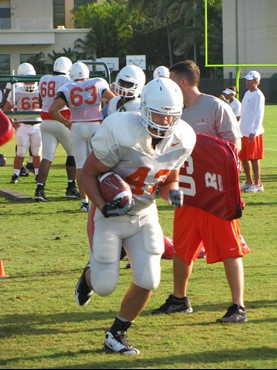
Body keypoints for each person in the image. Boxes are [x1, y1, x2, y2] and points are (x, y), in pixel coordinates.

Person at [74, 78, 196, 354]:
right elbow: (88, 174)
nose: (164, 121)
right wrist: (104, 208)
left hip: (143, 213)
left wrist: (172, 194)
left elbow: (169, 178)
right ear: (143, 110)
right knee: (105, 285)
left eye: (170, 115)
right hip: (111, 214)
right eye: (158, 114)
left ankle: (117, 333)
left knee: (149, 279)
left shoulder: (183, 138)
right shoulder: (122, 130)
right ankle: (90, 278)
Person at [152, 60, 248, 323]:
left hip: (215, 194)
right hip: (187, 193)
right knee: (182, 249)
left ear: (183, 81)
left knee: (230, 248)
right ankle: (179, 299)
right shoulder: (173, 111)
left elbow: (233, 146)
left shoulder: (215, 106)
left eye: (172, 80)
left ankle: (238, 306)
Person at [48, 61, 115, 212]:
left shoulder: (67, 87)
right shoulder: (98, 82)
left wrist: (66, 122)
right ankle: (101, 197)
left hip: (76, 126)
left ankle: (84, 202)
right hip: (95, 126)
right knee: (99, 164)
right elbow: (114, 100)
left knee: (81, 167)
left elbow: (53, 110)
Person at [34, 56, 79, 202]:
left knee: (47, 156)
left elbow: (41, 101)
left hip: (45, 121)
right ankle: (71, 187)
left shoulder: (43, 79)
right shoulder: (67, 80)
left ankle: (39, 189)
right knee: (72, 153)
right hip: (62, 119)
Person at [3, 63, 42, 184]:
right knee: (20, 152)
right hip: (23, 125)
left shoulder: (40, 90)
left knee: (37, 152)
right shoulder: (16, 90)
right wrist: (12, 122)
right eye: (27, 80)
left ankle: (37, 175)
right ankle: (15, 175)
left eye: (31, 80)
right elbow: (6, 109)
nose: (30, 83)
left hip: (37, 124)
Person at [239, 71, 265, 193]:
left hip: (252, 133)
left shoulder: (259, 95)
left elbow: (259, 115)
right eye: (247, 80)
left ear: (256, 81)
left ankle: (258, 184)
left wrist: (253, 131)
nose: (247, 82)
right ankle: (248, 182)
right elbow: (243, 112)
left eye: (250, 80)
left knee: (254, 158)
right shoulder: (247, 94)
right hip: (243, 131)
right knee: (244, 157)